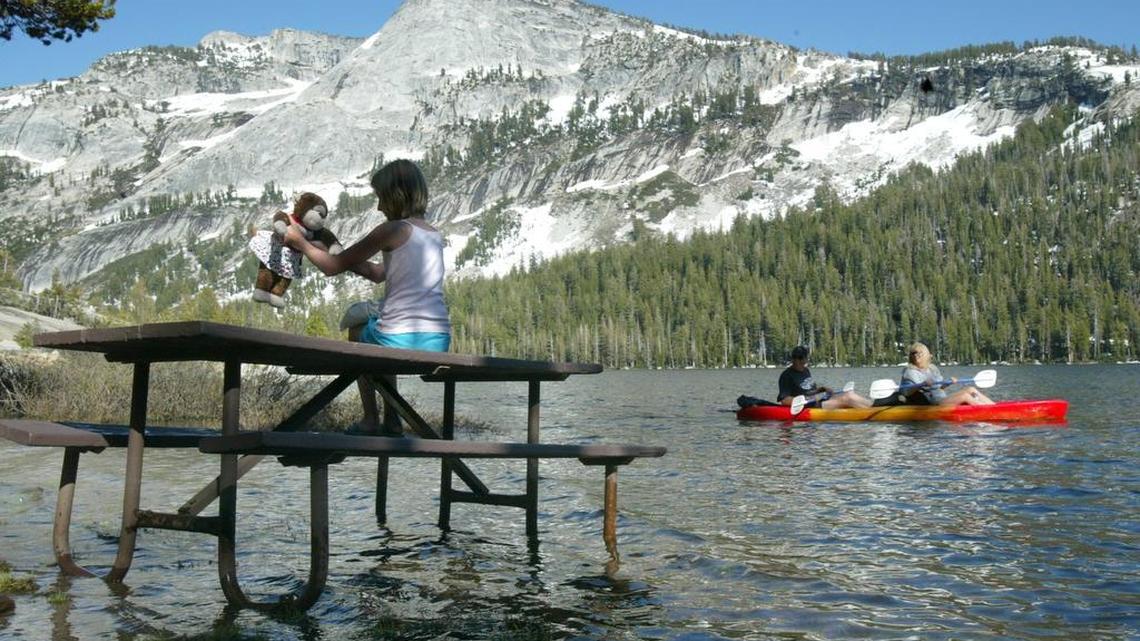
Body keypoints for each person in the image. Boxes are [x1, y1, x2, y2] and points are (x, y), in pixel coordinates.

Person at [285, 159, 451, 432]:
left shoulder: (393, 229)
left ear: (395, 196)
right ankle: (393, 419)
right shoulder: (433, 234)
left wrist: (301, 243)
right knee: (381, 334)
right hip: (439, 340)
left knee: (359, 331)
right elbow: (377, 273)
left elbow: (331, 269)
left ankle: (372, 419)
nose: (379, 207)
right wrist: (337, 253)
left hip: (401, 338)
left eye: (381, 198)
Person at [777, 345, 872, 409]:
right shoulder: (786, 376)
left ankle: (874, 406)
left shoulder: (806, 371)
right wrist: (805, 400)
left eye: (801, 357)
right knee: (846, 399)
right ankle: (873, 412)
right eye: (795, 357)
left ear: (806, 359)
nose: (798, 360)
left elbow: (809, 391)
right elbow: (784, 400)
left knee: (849, 394)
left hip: (817, 401)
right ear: (792, 358)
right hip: (808, 407)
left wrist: (822, 389)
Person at [901, 342, 995, 406]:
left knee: (970, 389)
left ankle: (993, 406)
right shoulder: (910, 372)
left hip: (942, 399)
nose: (917, 356)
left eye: (921, 354)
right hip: (934, 404)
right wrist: (920, 385)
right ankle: (987, 410)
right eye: (915, 354)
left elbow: (939, 387)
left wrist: (947, 383)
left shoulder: (932, 368)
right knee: (965, 396)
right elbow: (906, 392)